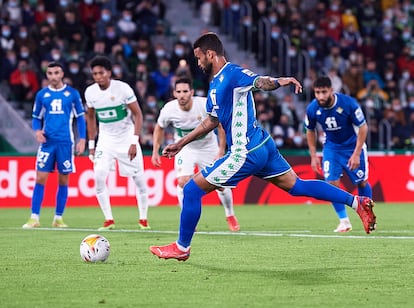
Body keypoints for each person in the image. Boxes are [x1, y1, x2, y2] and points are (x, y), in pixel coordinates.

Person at [149, 32, 376, 261]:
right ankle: (357, 202)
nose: (198, 64)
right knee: (298, 186)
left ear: (210, 54)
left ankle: (182, 247)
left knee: (191, 190)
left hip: (245, 150)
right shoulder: (215, 85)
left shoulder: (233, 73)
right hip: (262, 145)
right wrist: (181, 143)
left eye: (199, 58)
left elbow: (259, 82)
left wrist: (279, 81)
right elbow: (211, 120)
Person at [151, 77, 240, 231]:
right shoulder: (168, 109)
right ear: (174, 93)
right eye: (178, 92)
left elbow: (220, 125)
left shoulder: (204, 104)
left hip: (208, 147)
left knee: (220, 184)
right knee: (182, 182)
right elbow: (159, 127)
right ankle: (187, 219)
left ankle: (230, 214)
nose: (182, 95)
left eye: (185, 91)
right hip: (184, 148)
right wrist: (155, 151)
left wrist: (220, 150)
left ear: (192, 92)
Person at [84, 56, 150, 231]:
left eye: (101, 73)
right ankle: (108, 220)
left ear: (109, 73)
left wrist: (134, 141)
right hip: (105, 141)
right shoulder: (90, 92)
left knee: (139, 180)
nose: (98, 77)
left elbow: (138, 114)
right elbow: (90, 118)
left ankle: (143, 220)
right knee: (98, 176)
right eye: (95, 74)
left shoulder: (122, 89)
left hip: (126, 138)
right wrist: (91, 145)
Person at [305, 76, 373, 233]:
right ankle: (344, 221)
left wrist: (356, 154)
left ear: (331, 90)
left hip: (353, 146)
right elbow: (310, 130)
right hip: (331, 148)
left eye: (323, 92)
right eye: (317, 92)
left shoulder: (348, 104)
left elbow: (363, 128)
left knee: (361, 182)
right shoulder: (312, 108)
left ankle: (368, 213)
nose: (320, 96)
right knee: (331, 184)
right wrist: (313, 155)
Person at [22, 62, 86, 228]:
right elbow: (36, 117)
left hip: (66, 142)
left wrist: (82, 139)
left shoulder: (72, 94)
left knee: (64, 180)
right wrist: (37, 131)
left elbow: (80, 117)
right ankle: (34, 217)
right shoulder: (42, 95)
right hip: (47, 142)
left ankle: (58, 218)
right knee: (40, 178)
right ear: (47, 75)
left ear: (62, 74)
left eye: (56, 73)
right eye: (50, 73)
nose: (53, 76)